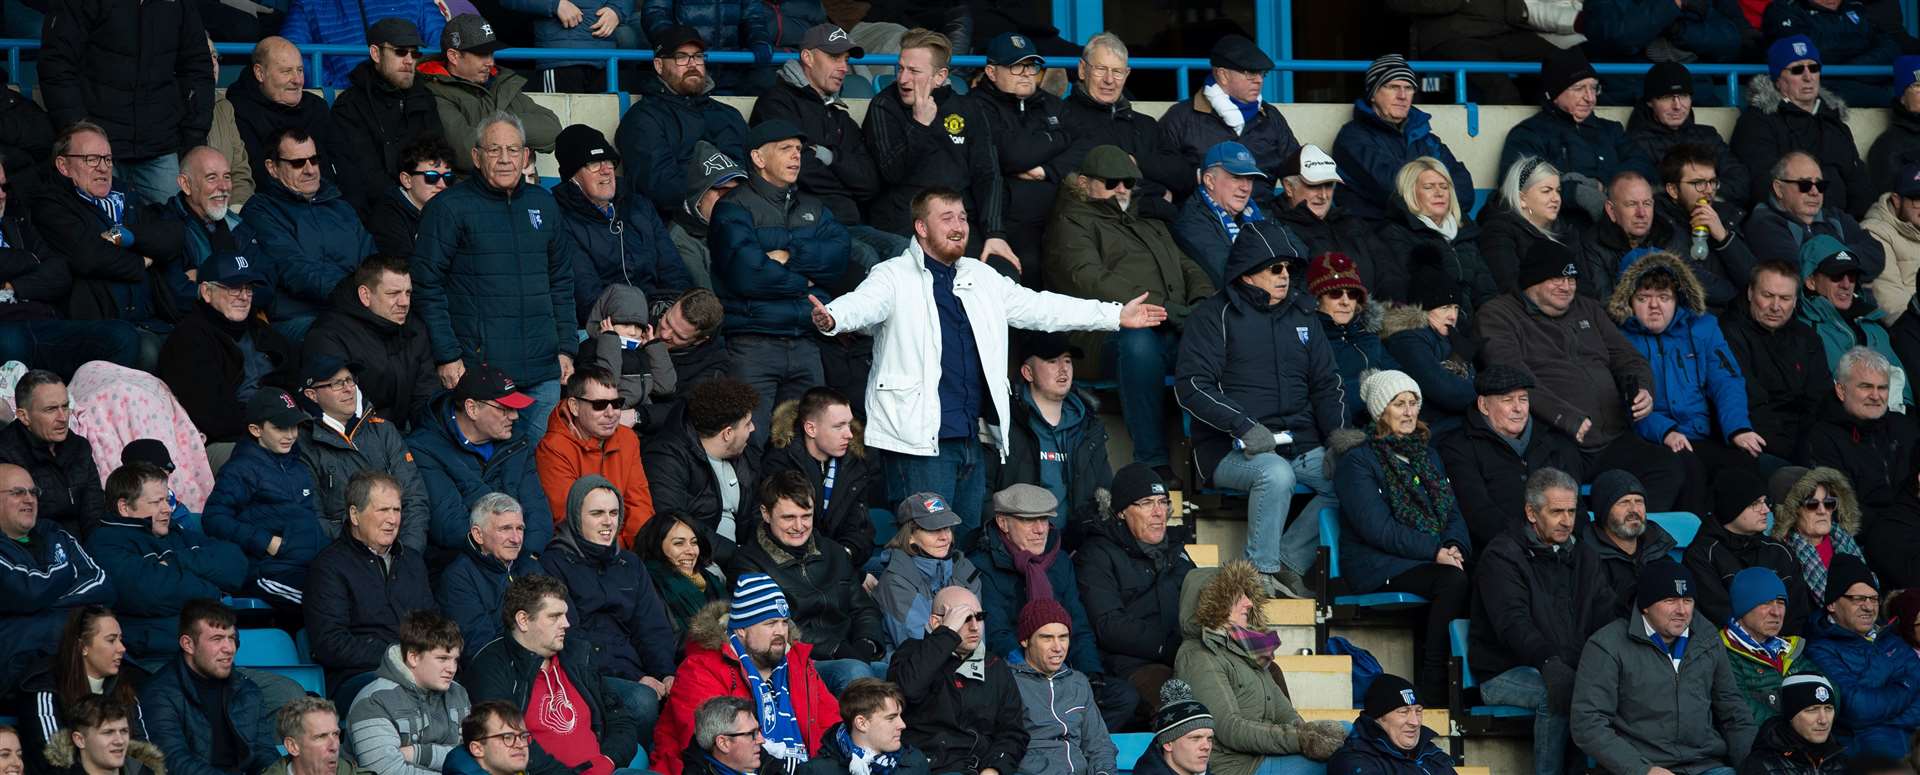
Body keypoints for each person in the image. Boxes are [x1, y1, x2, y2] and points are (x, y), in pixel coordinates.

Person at [813, 187, 1163, 532]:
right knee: (924, 546)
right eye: (946, 217)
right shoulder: (892, 275)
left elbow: (1043, 307)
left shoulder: (982, 277)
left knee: (963, 546)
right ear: (921, 227)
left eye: (963, 217)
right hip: (918, 444)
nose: (959, 225)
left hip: (971, 439)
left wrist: (1115, 315)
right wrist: (834, 317)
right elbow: (864, 304)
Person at [1173, 219, 1340, 598]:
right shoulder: (1214, 315)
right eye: (1275, 268)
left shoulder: (1303, 316)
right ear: (1248, 273)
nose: (1285, 277)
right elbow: (1193, 386)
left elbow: (1327, 384)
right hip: (1231, 449)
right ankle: (1258, 576)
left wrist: (1338, 440)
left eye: (1290, 269)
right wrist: (1244, 426)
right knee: (1276, 474)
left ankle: (1287, 559)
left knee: (1358, 475)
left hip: (1300, 442)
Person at [1478, 239, 1697, 513]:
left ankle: (1637, 542)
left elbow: (1629, 358)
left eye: (1571, 278)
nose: (1566, 286)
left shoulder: (1588, 308)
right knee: (1557, 495)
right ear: (1532, 280)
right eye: (1556, 278)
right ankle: (1583, 549)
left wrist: (1643, 389)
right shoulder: (1500, 314)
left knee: (1669, 466)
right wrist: (1563, 416)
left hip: (1613, 436)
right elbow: (1512, 377)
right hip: (1556, 439)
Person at [411, 112, 579, 441]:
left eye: (513, 150)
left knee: (535, 471)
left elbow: (561, 281)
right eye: (494, 150)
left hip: (543, 371)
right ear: (476, 156)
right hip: (482, 372)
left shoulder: (544, 205)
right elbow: (426, 284)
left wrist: (566, 348)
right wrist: (448, 355)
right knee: (491, 472)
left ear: (526, 156)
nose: (505, 159)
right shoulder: (448, 208)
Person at [1045, 146, 1212, 473]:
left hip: (1167, 323)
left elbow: (1187, 266)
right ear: (1084, 183)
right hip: (1100, 335)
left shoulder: (1146, 220)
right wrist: (1163, 307)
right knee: (1139, 344)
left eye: (1127, 181)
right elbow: (1088, 278)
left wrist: (1202, 305)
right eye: (1110, 182)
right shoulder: (1070, 222)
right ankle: (1153, 461)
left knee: (1220, 341)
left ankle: (1217, 459)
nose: (1121, 189)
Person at [710, 119, 849, 448]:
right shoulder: (733, 207)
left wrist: (789, 255)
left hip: (806, 343)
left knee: (805, 448)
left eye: (798, 150)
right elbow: (747, 275)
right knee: (748, 446)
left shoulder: (813, 207)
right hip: (752, 345)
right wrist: (810, 280)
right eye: (785, 149)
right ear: (758, 158)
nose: (795, 157)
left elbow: (840, 258)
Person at [1335, 371, 1473, 699]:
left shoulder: (1427, 455)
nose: (1409, 412)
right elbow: (1377, 529)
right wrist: (1436, 552)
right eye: (1400, 404)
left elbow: (1451, 511)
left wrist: (1453, 544)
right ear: (1382, 411)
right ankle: (1435, 683)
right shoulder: (1358, 461)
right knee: (1452, 581)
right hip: (1378, 563)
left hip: (1425, 556)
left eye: (1414, 403)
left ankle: (1470, 684)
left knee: (1483, 571)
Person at [1468, 467, 1614, 775]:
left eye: (1572, 511)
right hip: (1505, 669)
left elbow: (1604, 613)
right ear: (1531, 513)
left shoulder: (1584, 556)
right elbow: (1513, 624)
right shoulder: (1502, 555)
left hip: (1569, 664)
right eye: (1557, 511)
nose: (1566, 520)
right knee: (1557, 692)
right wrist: (1548, 662)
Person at [1571, 561, 1759, 774]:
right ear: (1645, 605)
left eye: (1687, 600)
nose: (1681, 611)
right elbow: (1588, 723)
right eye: (1670, 600)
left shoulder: (1708, 639)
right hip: (1639, 767)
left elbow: (1733, 712)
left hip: (1705, 765)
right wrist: (1643, 770)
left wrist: (1753, 766)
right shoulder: (1607, 645)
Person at [970, 484, 1133, 727]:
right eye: (1029, 521)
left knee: (1123, 697)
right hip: (1015, 672)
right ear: (1003, 523)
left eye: (1044, 520)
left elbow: (1077, 624)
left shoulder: (1059, 561)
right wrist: (1035, 673)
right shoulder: (982, 565)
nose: (1040, 530)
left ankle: (1075, 747)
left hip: (1062, 666)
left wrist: (1089, 675)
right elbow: (996, 634)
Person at [651, 574, 838, 775]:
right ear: (741, 630)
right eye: (770, 623)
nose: (781, 632)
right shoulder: (700, 668)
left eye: (784, 622)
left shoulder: (797, 663)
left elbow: (831, 721)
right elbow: (716, 744)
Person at [859, 29, 1015, 268]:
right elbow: (892, 172)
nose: (902, 79)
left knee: (1003, 271)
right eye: (900, 68)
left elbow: (988, 174)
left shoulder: (968, 108)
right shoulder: (884, 105)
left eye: (914, 71)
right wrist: (919, 125)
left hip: (960, 222)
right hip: (909, 223)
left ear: (940, 76)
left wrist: (995, 233)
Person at [1175, 563, 1348, 775]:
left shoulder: (1246, 651)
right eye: (1238, 596)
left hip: (1266, 755)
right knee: (1337, 766)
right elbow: (1230, 729)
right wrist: (1299, 739)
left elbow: (1285, 713)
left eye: (1248, 595)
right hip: (1238, 767)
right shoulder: (1200, 656)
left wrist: (1309, 736)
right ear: (1215, 603)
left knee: (1348, 729)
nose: (1248, 603)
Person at [37, 0, 213, 207]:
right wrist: (79, 132)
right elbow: (57, 65)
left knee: (173, 230)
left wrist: (193, 137)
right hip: (97, 150)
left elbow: (197, 68)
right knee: (100, 232)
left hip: (160, 147)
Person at [538, 476, 674, 744]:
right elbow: (571, 638)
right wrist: (637, 679)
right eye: (597, 513)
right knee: (642, 701)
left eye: (614, 513)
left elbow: (652, 626)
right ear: (577, 517)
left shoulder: (630, 564)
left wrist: (665, 673)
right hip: (587, 674)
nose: (608, 522)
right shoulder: (554, 563)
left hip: (637, 670)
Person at [31, 121, 185, 357]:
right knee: (148, 350)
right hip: (103, 326)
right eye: (91, 159)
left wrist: (122, 235)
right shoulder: (51, 203)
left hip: (154, 318)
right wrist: (141, 260)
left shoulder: (127, 193)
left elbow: (172, 236)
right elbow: (89, 256)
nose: (103, 168)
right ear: (63, 166)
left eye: (107, 159)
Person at [1610, 250, 1764, 483]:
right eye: (1643, 298)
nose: (1654, 306)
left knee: (1746, 466)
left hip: (1700, 434)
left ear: (1678, 299)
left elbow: (1726, 381)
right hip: (1650, 439)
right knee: (1688, 471)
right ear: (1628, 301)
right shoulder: (1617, 338)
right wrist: (1665, 431)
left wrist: (1737, 428)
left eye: (1664, 297)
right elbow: (1620, 402)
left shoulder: (1703, 328)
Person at [461, 575, 641, 775]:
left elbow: (620, 719)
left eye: (564, 614)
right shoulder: (491, 667)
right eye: (554, 616)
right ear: (523, 620)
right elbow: (507, 744)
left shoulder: (578, 653)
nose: (566, 623)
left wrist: (608, 760)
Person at [725, 471, 888, 690]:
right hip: (796, 660)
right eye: (788, 517)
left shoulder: (834, 552)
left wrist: (866, 643)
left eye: (806, 516)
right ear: (765, 513)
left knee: (903, 670)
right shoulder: (748, 563)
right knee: (854, 673)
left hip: (852, 652)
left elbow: (863, 607)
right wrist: (836, 648)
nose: (799, 526)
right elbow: (774, 627)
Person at [748, 24, 896, 264]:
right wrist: (845, 177)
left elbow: (869, 182)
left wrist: (829, 158)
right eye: (834, 57)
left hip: (848, 223)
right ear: (807, 57)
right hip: (803, 225)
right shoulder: (777, 103)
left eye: (846, 60)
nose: (843, 68)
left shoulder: (840, 115)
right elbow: (798, 169)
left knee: (903, 252)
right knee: (866, 259)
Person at [85, 464, 246, 663]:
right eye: (156, 502)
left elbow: (235, 563)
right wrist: (213, 590)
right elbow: (151, 593)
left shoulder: (174, 532)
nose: (167, 509)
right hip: (155, 660)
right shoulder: (105, 543)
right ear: (124, 507)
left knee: (285, 690)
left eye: (167, 500)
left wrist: (175, 561)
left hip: (211, 656)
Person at [1073, 464, 1192, 729]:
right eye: (1146, 503)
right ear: (1121, 512)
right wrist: (1170, 647)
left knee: (1261, 675)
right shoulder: (1097, 554)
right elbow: (1108, 625)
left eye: (1163, 502)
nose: (1159, 512)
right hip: (1131, 666)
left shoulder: (1177, 552)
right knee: (1178, 700)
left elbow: (1204, 603)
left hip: (1184, 657)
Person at [304, 470, 434, 695]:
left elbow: (433, 623)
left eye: (397, 510)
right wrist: (399, 657)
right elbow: (330, 643)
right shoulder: (328, 566)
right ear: (355, 515)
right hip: (360, 677)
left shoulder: (412, 561)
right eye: (383, 510)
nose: (392, 520)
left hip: (418, 670)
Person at [406, 363, 555, 554]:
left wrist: (527, 556)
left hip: (518, 555)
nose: (515, 416)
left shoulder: (517, 442)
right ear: (472, 408)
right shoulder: (424, 448)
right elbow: (449, 525)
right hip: (461, 562)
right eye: (505, 409)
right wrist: (505, 552)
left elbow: (538, 512)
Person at [202, 389, 329, 611]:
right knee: (328, 604)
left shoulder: (298, 467)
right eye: (280, 427)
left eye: (294, 426)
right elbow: (214, 519)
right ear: (255, 429)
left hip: (307, 565)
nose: (291, 435)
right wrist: (267, 542)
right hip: (268, 569)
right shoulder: (240, 470)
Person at [1497, 48, 1652, 229]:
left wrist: (1601, 184)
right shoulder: (1529, 133)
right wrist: (1575, 192)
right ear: (1554, 94)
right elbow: (1519, 184)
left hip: (1615, 227)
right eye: (1579, 89)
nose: (1590, 98)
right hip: (1559, 228)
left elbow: (1644, 167)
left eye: (1594, 88)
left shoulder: (1611, 130)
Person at [244, 127, 373, 341]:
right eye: (297, 163)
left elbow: (371, 259)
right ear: (272, 168)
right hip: (299, 316)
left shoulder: (340, 206)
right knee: (352, 338)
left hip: (355, 307)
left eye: (314, 160)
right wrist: (357, 295)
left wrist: (379, 291)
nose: (310, 169)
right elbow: (294, 270)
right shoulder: (261, 211)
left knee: (412, 329)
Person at [156, 250, 296, 447]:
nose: (244, 297)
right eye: (234, 288)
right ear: (206, 292)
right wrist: (267, 429)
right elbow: (212, 416)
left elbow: (293, 379)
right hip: (233, 441)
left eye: (248, 289)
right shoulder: (189, 339)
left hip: (284, 427)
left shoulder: (260, 329)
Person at [1437, 366, 1588, 548]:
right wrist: (1531, 545)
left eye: (1523, 399)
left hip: (1563, 550)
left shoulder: (1555, 443)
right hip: (1504, 554)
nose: (1518, 408)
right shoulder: (1459, 448)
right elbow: (1478, 514)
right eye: (1508, 400)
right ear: (1484, 405)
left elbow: (1577, 506)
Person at [552, 127, 689, 323]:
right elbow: (588, 296)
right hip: (611, 326)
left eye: (609, 161)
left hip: (662, 316)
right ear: (572, 177)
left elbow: (673, 270)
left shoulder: (639, 206)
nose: (606, 170)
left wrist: (677, 314)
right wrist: (640, 323)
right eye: (593, 164)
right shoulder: (561, 219)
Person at [886, 585, 1028, 775]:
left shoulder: (995, 665)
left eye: (979, 617)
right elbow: (908, 691)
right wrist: (946, 635)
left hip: (984, 767)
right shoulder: (911, 652)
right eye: (963, 618)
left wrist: (995, 768)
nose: (975, 627)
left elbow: (1013, 732)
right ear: (937, 622)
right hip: (933, 767)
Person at [297, 356, 432, 553]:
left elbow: (414, 498)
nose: (348, 389)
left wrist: (408, 553)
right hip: (345, 558)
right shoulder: (302, 443)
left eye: (350, 380)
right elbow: (314, 518)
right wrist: (365, 555)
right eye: (336, 383)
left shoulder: (384, 430)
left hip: (400, 551)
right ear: (312, 394)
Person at [1731, 37, 1874, 218]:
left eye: (1813, 68)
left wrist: (1851, 226)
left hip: (1843, 226)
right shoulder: (1757, 122)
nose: (1808, 77)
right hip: (1789, 228)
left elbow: (1859, 184)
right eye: (1797, 70)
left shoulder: (1834, 121)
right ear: (1778, 79)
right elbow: (1762, 189)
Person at [139, 600, 281, 775]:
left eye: (232, 638)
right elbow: (174, 761)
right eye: (217, 639)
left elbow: (263, 752)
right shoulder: (159, 693)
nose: (229, 648)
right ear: (188, 644)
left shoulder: (246, 689)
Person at [618, 27, 749, 216]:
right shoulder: (643, 118)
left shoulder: (729, 115)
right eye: (681, 57)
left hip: (741, 215)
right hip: (678, 225)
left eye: (698, 56)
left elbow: (755, 170)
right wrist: (707, 196)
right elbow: (657, 183)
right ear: (659, 65)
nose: (692, 64)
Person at [1058, 33, 1186, 221]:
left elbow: (1184, 176)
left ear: (1126, 75)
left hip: (1157, 228)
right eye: (1101, 69)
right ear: (1082, 70)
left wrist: (1137, 161)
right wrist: (1157, 191)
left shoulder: (1146, 124)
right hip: (1102, 227)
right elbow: (1086, 187)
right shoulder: (1063, 118)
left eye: (1117, 72)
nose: (1109, 80)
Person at [1333, 55, 1475, 224]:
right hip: (1377, 232)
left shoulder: (1426, 138)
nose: (1402, 95)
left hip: (1433, 229)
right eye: (1393, 87)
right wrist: (1438, 200)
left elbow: (1465, 190)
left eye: (1408, 88)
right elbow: (1388, 188)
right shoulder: (1353, 138)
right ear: (1373, 94)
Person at [1803, 555, 1920, 758]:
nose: (1869, 607)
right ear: (1832, 604)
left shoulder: (1890, 639)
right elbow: (1857, 708)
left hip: (1913, 742)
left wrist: (1880, 712)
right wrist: (1905, 685)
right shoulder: (1820, 650)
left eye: (1874, 598)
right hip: (1871, 754)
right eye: (1858, 599)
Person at [328, 19, 447, 215]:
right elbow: (362, 178)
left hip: (428, 205)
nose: (409, 60)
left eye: (415, 53)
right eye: (400, 52)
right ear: (376, 53)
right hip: (376, 214)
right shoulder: (349, 106)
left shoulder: (424, 97)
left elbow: (438, 158)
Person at [417, 15, 563, 173]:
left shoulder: (501, 82)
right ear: (454, 56)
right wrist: (512, 132)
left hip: (515, 188)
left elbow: (552, 131)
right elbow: (466, 153)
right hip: (468, 191)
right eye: (481, 54)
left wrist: (488, 131)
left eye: (491, 53)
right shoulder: (434, 91)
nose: (490, 62)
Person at [306, 256, 441, 425]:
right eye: (393, 294)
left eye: (408, 293)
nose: (405, 302)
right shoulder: (328, 335)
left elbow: (426, 398)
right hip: (356, 440)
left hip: (406, 437)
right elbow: (337, 410)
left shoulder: (414, 329)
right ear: (365, 295)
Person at [10, 607, 151, 769]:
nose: (122, 648)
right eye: (111, 640)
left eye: (120, 639)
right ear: (83, 646)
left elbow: (141, 753)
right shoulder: (45, 688)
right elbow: (54, 758)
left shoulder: (124, 689)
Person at [1722, 260, 1835, 461]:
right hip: (1756, 441)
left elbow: (1819, 399)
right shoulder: (1727, 333)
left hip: (1806, 440)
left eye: (1784, 298)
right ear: (1750, 293)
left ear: (1794, 301)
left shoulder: (1807, 338)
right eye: (1767, 296)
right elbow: (1751, 402)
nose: (1775, 306)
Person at [1686, 467, 1817, 636]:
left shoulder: (1779, 551)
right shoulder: (1702, 555)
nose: (1766, 510)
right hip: (1731, 652)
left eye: (1765, 502)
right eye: (1755, 504)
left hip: (1785, 652)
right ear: (1731, 506)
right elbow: (1718, 615)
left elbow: (1798, 613)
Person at [640, 377, 761, 561]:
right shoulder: (666, 458)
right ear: (727, 433)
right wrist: (739, 557)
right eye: (747, 424)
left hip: (741, 559)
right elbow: (674, 521)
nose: (753, 428)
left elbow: (756, 510)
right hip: (697, 561)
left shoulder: (742, 452)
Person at [535, 367, 656, 549]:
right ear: (574, 406)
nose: (611, 413)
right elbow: (570, 515)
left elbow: (639, 503)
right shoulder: (553, 447)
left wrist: (640, 551)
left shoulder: (627, 438)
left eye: (616, 403)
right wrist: (616, 552)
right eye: (599, 405)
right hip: (579, 551)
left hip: (626, 551)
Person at [343, 611, 473, 775]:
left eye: (455, 659)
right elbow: (385, 772)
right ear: (413, 657)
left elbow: (476, 754)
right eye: (442, 659)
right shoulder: (373, 701)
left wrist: (416, 753)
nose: (452, 668)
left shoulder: (458, 693)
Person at [1158, 35, 1298, 187]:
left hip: (1262, 208)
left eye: (1262, 73)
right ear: (1223, 75)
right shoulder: (1181, 117)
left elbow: (1296, 169)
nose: (1259, 80)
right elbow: (1162, 172)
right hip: (1201, 208)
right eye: (1250, 73)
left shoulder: (1270, 116)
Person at [218, 38, 346, 203]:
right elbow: (255, 178)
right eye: (286, 71)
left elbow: (342, 169)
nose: (298, 80)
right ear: (260, 73)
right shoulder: (238, 110)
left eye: (300, 70)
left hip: (329, 206)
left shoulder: (317, 108)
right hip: (274, 211)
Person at [761, 387, 876, 569]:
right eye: (839, 426)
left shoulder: (854, 465)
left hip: (842, 564)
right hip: (790, 567)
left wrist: (845, 555)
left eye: (849, 424)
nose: (849, 434)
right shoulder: (780, 463)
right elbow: (775, 528)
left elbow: (860, 528)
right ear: (811, 428)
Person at [1801, 347, 1919, 513]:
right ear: (1841, 391)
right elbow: (1844, 510)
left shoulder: (1905, 427)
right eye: (1866, 387)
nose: (1876, 396)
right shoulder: (1822, 438)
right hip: (1870, 533)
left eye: (1882, 388)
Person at [1745, 154, 1886, 293]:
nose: (1815, 192)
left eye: (1820, 185)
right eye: (1804, 185)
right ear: (1779, 189)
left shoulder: (1835, 217)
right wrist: (1849, 263)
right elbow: (1796, 275)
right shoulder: (1764, 223)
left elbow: (1876, 254)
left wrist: (1829, 262)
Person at [1008, 599, 1116, 775]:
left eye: (1063, 637)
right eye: (1047, 638)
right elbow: (1003, 747)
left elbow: (1099, 744)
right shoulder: (1008, 682)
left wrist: (1103, 772)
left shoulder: (1078, 682)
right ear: (1025, 640)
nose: (1058, 647)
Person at [1376, 156, 1494, 309]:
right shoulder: (1395, 234)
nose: (1439, 193)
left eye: (1444, 187)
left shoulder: (1465, 232)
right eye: (1429, 187)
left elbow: (1487, 292)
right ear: (1410, 192)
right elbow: (1404, 298)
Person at [1627, 63, 1753, 208]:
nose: (1677, 106)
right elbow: (1641, 192)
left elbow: (1740, 181)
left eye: (1683, 96)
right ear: (1650, 101)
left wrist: (1701, 193)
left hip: (1718, 216)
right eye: (1667, 97)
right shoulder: (1634, 142)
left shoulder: (1708, 136)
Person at [0, 371, 106, 538]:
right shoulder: (5, 454)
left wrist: (95, 552)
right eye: (51, 409)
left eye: (65, 406)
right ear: (23, 416)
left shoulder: (80, 447)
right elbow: (14, 525)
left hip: (83, 547)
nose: (62, 418)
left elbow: (94, 511)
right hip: (34, 549)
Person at [154, 147, 258, 313]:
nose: (224, 187)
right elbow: (174, 294)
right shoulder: (165, 225)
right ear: (186, 184)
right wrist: (238, 290)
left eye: (227, 177)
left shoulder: (239, 226)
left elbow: (266, 284)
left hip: (245, 325)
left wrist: (204, 277)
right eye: (211, 178)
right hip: (192, 328)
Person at [436, 493, 537, 653]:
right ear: (478, 534)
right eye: (505, 529)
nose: (516, 539)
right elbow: (480, 647)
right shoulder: (458, 578)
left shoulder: (531, 566)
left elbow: (564, 622)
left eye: (520, 529)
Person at [1381, 266, 1475, 435]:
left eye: (1456, 308)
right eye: (1445, 307)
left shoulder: (1450, 336)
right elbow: (1446, 391)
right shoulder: (1406, 340)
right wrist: (1488, 399)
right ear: (1424, 309)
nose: (1453, 316)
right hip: (1436, 431)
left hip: (1461, 423)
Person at [1310, 251, 1400, 428]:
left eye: (1352, 294)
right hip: (1342, 431)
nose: (1346, 302)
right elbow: (1321, 398)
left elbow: (1398, 375)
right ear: (1316, 299)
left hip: (1386, 424)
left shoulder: (1367, 332)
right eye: (1335, 293)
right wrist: (1374, 389)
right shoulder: (1311, 341)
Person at [1722, 566, 1819, 726]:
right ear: (1743, 607)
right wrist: (1796, 727)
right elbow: (1741, 709)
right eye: (1766, 603)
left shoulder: (1788, 648)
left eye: (1781, 603)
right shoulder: (1721, 650)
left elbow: (1828, 691)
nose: (1777, 612)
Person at [1762, 0, 1901, 108]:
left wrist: (1850, 69)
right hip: (1821, 86)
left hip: (1865, 82)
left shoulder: (1855, 8)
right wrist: (1860, 45)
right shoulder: (1784, 10)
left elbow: (1891, 49)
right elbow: (1805, 54)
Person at [1171, 142, 1271, 288]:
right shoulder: (1192, 223)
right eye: (1236, 177)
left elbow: (1294, 254)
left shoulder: (1257, 211)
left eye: (1250, 179)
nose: (1245, 187)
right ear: (1210, 181)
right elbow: (1228, 276)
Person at [1583, 470, 1682, 617]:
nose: (1634, 510)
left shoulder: (1660, 553)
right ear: (1603, 511)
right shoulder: (1587, 561)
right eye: (1624, 502)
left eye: (1639, 501)